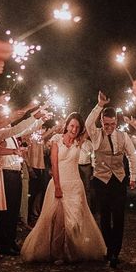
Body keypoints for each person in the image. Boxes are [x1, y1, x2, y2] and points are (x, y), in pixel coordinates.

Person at [21, 113, 106, 263]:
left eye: (77, 127)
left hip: (75, 185)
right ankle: (58, 253)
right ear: (67, 125)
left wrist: (99, 106)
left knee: (74, 221)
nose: (74, 129)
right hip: (59, 184)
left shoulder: (79, 141)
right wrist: (58, 187)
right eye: (72, 125)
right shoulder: (56, 140)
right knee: (59, 221)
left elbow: (89, 121)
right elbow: (54, 165)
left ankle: (72, 251)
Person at [85, 92, 136, 268]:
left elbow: (131, 155)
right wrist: (99, 105)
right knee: (105, 216)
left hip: (119, 179)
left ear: (116, 122)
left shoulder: (123, 136)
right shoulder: (96, 134)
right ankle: (108, 248)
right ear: (102, 121)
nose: (109, 127)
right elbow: (87, 122)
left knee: (119, 215)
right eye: (107, 124)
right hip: (101, 179)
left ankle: (116, 251)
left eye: (113, 124)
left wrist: (133, 176)